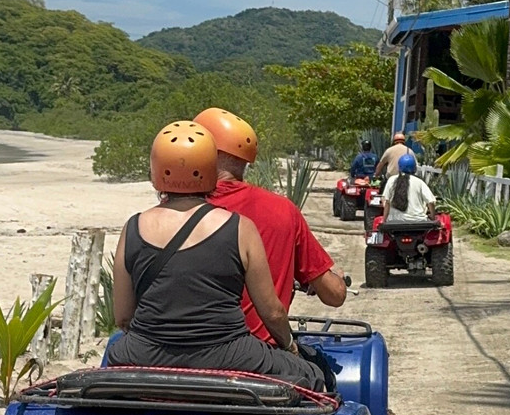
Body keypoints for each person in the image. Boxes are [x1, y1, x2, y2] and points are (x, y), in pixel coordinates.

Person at [106, 120, 323, 390]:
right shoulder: (240, 227)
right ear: (211, 169)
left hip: (145, 352)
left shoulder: (133, 227)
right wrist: (290, 348)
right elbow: (272, 312)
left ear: (156, 171)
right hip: (230, 354)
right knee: (313, 375)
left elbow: (123, 317)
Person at [195, 107, 347, 345]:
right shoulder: (282, 210)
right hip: (260, 355)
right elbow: (334, 296)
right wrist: (338, 279)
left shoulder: (169, 214)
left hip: (183, 352)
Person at [382, 153, 437, 223]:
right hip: (418, 221)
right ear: (415, 168)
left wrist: (384, 221)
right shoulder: (419, 182)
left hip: (395, 221)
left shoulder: (391, 180)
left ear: (399, 167)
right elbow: (431, 202)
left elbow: (387, 203)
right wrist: (432, 217)